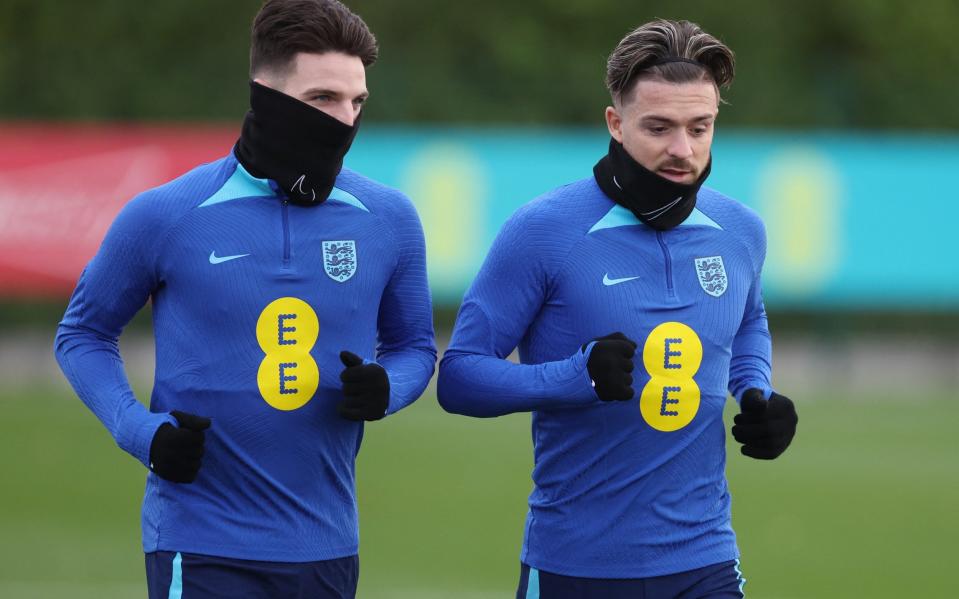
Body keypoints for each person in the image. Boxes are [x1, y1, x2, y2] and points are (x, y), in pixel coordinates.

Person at [54, 1, 436, 597]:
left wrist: (389, 388)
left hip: (328, 546)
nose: (345, 119)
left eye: (356, 102)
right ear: (266, 92)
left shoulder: (389, 219)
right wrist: (140, 432)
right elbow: (82, 335)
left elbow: (414, 347)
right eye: (323, 99)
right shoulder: (166, 214)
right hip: (199, 542)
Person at [437, 18, 798, 599]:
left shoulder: (740, 230)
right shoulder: (543, 231)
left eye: (699, 127)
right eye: (659, 127)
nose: (682, 150)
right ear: (616, 122)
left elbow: (749, 319)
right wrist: (572, 376)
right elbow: (458, 377)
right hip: (576, 566)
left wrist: (755, 392)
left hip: (706, 560)